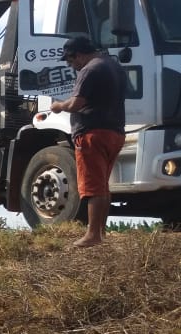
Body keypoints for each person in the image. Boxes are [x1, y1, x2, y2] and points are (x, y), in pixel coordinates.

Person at [49, 35, 127, 248]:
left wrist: (59, 106)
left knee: (92, 186)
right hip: (116, 131)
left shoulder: (89, 70)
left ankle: (92, 235)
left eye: (70, 60)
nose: (70, 64)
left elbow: (76, 104)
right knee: (102, 186)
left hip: (92, 132)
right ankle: (100, 232)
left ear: (79, 54)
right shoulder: (115, 67)